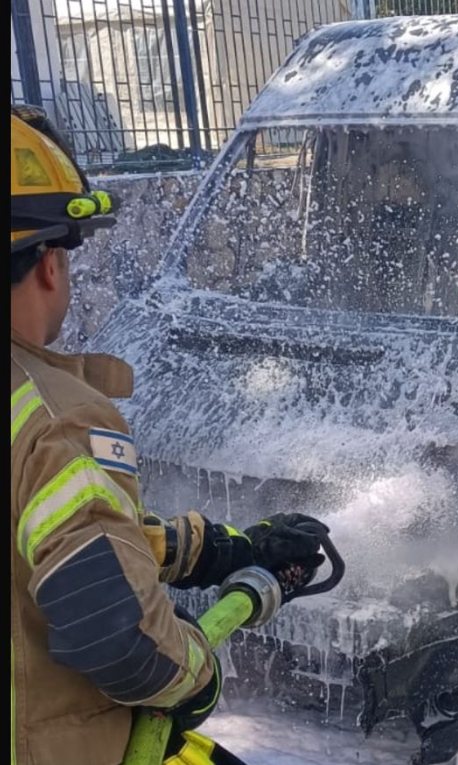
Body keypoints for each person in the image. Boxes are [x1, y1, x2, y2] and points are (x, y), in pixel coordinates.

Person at [10, 104, 330, 765]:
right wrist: (193, 670)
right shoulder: (52, 417)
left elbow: (51, 536)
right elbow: (119, 635)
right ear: (47, 261)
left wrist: (221, 548)